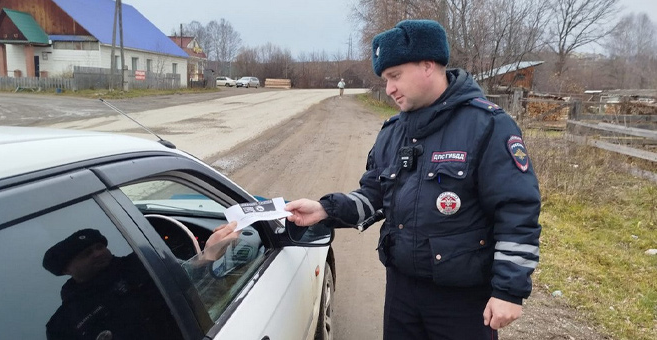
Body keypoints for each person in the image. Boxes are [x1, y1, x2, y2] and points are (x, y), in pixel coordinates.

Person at [285, 19, 541, 340]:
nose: (389, 88)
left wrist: (508, 291)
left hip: (462, 300)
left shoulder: (487, 126)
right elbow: (374, 196)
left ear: (428, 65)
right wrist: (325, 210)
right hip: (402, 292)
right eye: (385, 78)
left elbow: (517, 210)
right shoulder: (393, 132)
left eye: (395, 76)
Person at [42, 223, 238, 340]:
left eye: (99, 247)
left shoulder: (142, 264)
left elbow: (187, 282)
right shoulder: (62, 324)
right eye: (86, 253)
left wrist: (207, 256)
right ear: (66, 269)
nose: (97, 253)